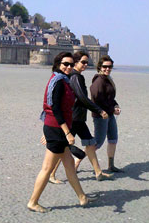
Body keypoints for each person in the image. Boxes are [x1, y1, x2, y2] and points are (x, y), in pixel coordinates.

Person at [27, 52, 96, 213]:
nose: (69, 67)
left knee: (70, 165)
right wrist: (67, 133)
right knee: (47, 169)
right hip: (57, 130)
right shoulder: (58, 81)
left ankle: (82, 197)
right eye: (66, 64)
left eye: (71, 65)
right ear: (58, 64)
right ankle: (33, 201)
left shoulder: (63, 80)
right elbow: (55, 109)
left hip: (56, 128)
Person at [48, 51, 113, 183]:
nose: (85, 64)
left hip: (79, 118)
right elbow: (82, 98)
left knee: (90, 143)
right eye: (82, 62)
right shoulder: (75, 76)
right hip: (74, 118)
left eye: (86, 62)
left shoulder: (76, 76)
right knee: (63, 147)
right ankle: (51, 174)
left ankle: (98, 172)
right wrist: (99, 110)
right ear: (76, 62)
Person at [90, 55, 124, 173]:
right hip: (101, 116)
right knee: (97, 143)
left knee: (113, 139)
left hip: (109, 114)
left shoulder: (108, 79)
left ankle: (111, 165)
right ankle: (75, 163)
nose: (107, 69)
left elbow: (109, 98)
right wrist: (110, 110)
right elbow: (96, 100)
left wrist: (115, 106)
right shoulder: (98, 81)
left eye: (110, 67)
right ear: (99, 67)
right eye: (105, 66)